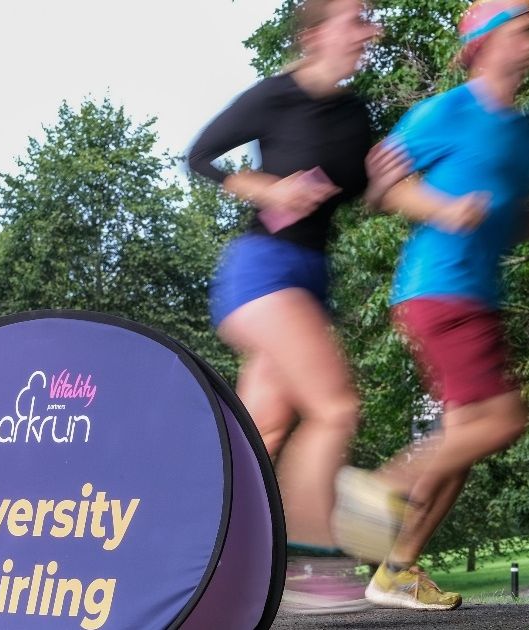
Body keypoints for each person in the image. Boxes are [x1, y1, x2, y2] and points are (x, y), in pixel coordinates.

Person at [332, 0, 529, 610]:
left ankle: (395, 571)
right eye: (526, 28)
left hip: (479, 297)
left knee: (464, 444)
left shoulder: (525, 133)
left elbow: (516, 222)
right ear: (489, 43)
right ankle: (376, 491)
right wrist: (443, 208)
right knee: (504, 421)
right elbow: (380, 185)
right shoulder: (447, 110)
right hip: (438, 289)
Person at [187, 0, 400, 614]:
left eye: (369, 19)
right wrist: (267, 187)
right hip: (261, 273)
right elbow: (198, 156)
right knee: (334, 408)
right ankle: (309, 562)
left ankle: (201, 553)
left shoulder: (356, 114)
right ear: (314, 35)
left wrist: (387, 183)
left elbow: (367, 194)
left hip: (309, 283)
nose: (370, 31)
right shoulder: (273, 97)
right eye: (356, 20)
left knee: (259, 434)